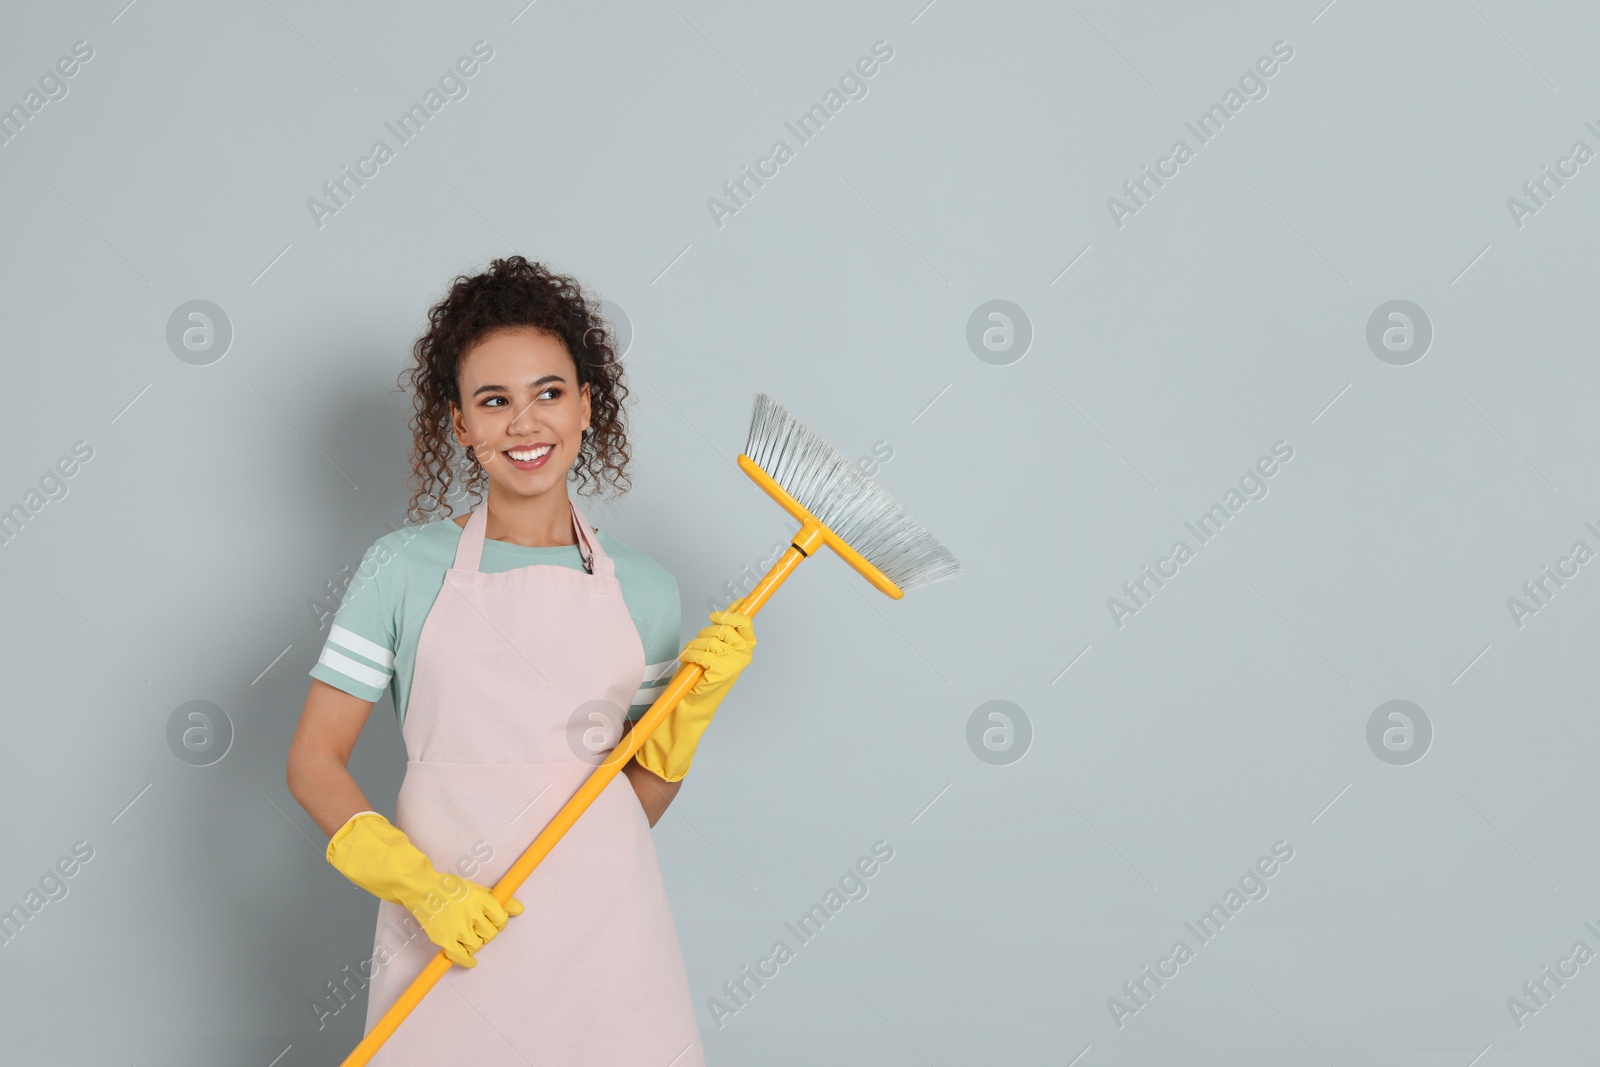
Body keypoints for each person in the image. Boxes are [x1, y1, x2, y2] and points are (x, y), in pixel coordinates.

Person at [285, 255, 755, 1065]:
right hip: (449, 926)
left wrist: (686, 721)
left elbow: (628, 804)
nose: (525, 423)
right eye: (493, 401)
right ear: (461, 424)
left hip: (607, 934)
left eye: (549, 392)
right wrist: (418, 887)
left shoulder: (643, 588)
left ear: (586, 405)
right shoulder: (401, 569)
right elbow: (313, 761)